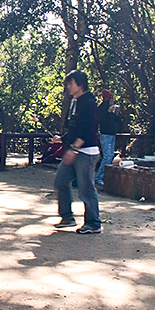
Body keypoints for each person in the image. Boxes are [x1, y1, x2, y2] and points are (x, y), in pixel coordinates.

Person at [53, 70, 102, 234]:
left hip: (86, 152)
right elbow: (74, 127)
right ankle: (67, 217)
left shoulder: (89, 102)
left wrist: (74, 148)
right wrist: (63, 138)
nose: (68, 86)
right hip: (73, 149)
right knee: (60, 182)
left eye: (71, 83)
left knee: (86, 189)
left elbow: (88, 130)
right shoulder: (75, 101)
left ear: (81, 84)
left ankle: (93, 223)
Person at [96, 89, 120, 186]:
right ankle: (99, 177)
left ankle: (105, 176)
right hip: (105, 135)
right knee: (107, 157)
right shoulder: (101, 109)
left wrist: (115, 113)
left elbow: (116, 121)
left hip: (112, 134)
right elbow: (102, 121)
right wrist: (109, 112)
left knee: (110, 157)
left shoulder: (111, 109)